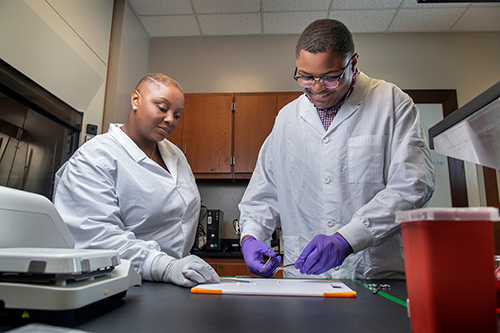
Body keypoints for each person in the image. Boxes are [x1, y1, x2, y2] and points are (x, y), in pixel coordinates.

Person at [239, 19, 435, 280]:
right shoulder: (287, 118)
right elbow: (264, 191)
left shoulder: (391, 102)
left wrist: (348, 239)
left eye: (330, 78)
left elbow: (413, 185)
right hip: (305, 278)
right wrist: (250, 236)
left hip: (373, 274)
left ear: (353, 64)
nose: (317, 88)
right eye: (305, 77)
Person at [53, 73, 219, 287]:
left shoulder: (175, 154)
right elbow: (95, 237)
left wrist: (177, 268)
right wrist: (163, 266)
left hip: (173, 282)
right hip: (121, 285)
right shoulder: (94, 158)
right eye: (162, 107)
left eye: (177, 115)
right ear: (135, 100)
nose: (170, 119)